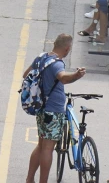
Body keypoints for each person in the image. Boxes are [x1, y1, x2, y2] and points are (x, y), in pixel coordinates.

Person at [25, 34, 86, 183]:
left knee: (41, 146)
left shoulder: (41, 58)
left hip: (40, 107)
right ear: (67, 48)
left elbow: (26, 75)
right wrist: (77, 75)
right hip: (53, 110)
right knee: (47, 148)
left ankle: (29, 179)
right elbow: (63, 78)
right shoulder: (57, 64)